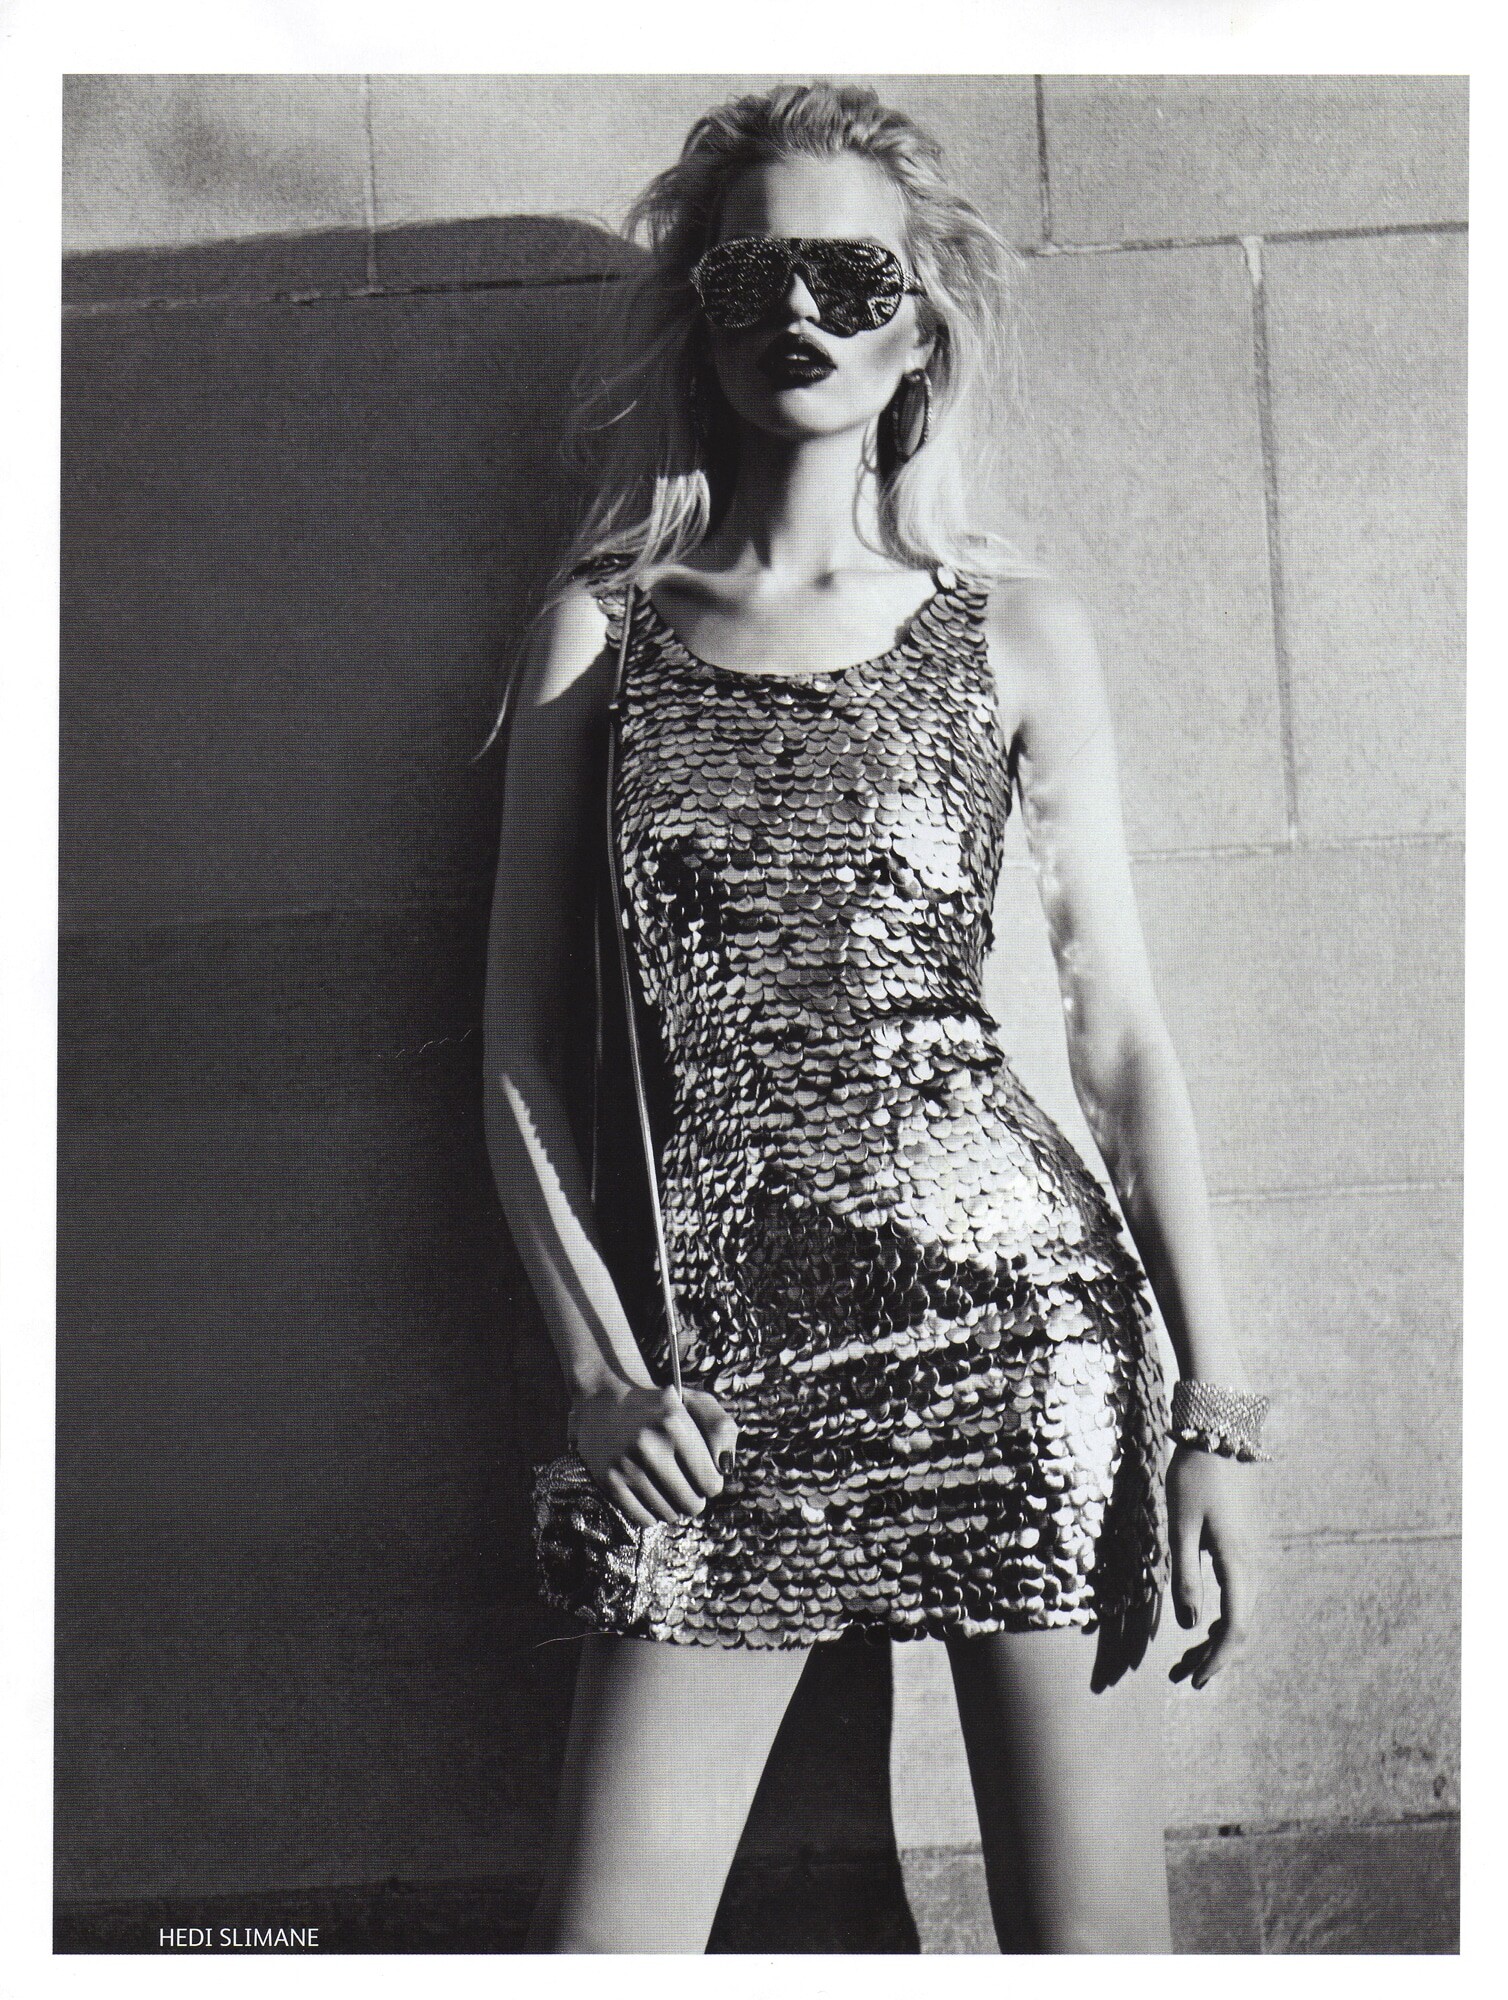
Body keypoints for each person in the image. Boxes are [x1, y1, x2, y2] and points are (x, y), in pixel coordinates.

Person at [483, 81, 1265, 1954]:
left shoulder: (1013, 631)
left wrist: (1216, 1415)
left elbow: (1117, 1038)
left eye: (853, 277)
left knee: (1095, 1959)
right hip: (714, 1395)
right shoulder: (603, 634)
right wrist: (599, 1377)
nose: (801, 313)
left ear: (920, 326)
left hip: (1023, 1347)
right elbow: (516, 1046)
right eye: (753, 275)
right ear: (700, 314)